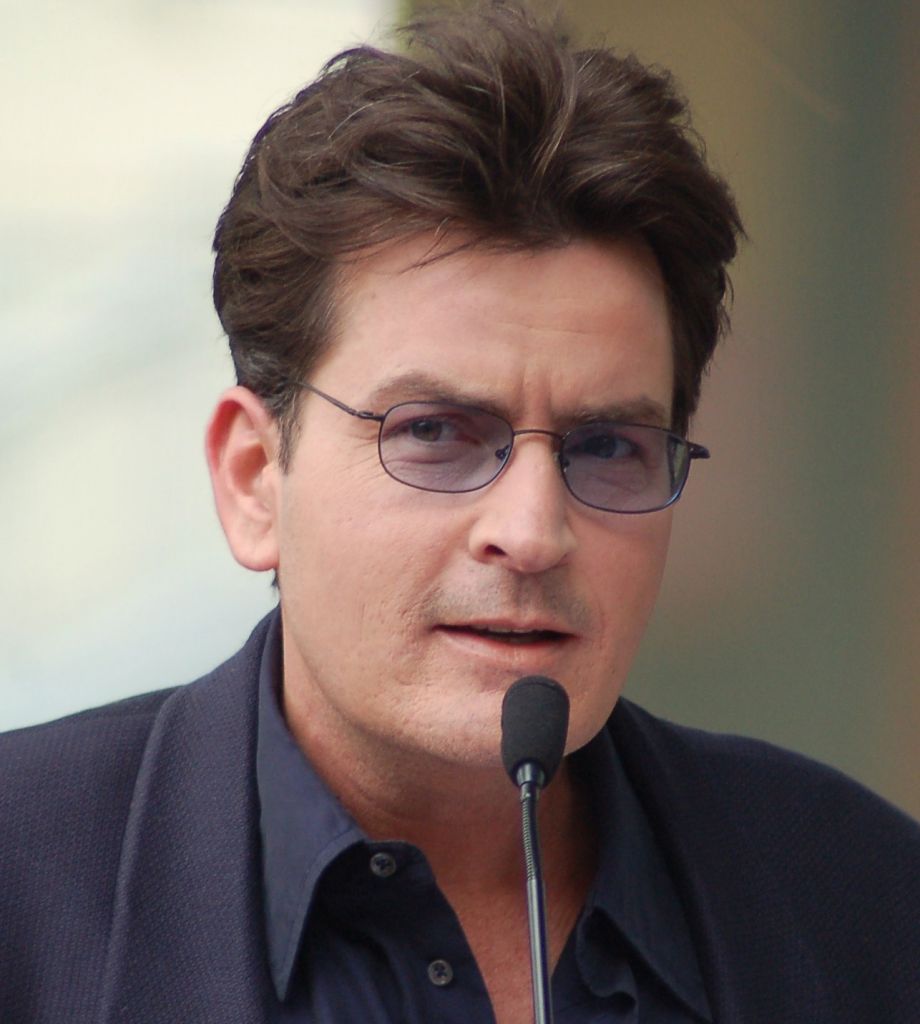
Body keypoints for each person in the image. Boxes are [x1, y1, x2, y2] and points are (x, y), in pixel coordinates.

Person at [1, 4, 917, 1023]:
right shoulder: (23, 890)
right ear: (255, 478)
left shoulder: (865, 902)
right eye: (434, 433)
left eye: (606, 446)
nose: (531, 532)